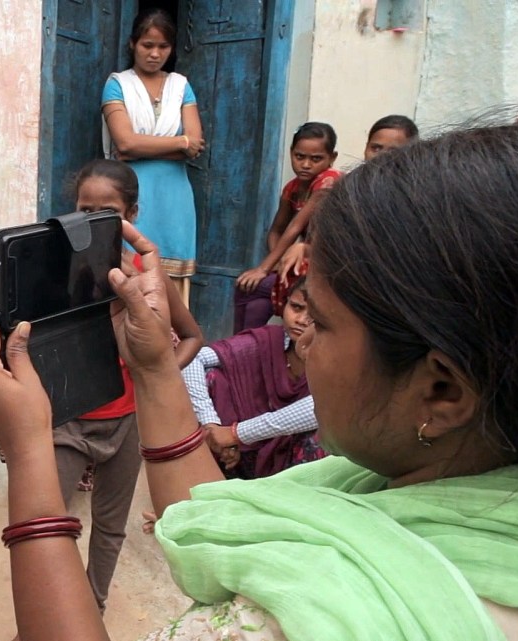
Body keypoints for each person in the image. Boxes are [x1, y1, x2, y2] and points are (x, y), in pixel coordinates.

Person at [0, 124, 518, 640]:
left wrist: (28, 449)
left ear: (442, 392)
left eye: (321, 323)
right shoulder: (402, 488)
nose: (300, 341)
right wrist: (155, 367)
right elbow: (211, 516)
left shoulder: (299, 620)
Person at [50, 159, 202, 614]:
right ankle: (54, 617)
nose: (93, 221)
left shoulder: (147, 278)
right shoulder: (57, 270)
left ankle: (92, 608)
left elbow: (192, 337)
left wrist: (152, 376)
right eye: (84, 210)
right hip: (68, 419)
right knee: (49, 524)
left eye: (108, 212)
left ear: (131, 215)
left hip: (128, 422)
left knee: (110, 525)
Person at [101, 10, 204, 305]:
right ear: (133, 43)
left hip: (175, 198)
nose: (155, 54)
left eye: (163, 46)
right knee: (129, 272)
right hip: (133, 193)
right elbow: (125, 142)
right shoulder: (118, 84)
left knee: (173, 285)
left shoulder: (180, 86)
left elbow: (196, 144)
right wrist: (180, 143)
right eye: (147, 45)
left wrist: (141, 148)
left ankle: (172, 334)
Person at [272, 115, 419, 316]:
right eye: (376, 148)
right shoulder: (350, 189)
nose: (381, 157)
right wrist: (305, 248)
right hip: (345, 274)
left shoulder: (415, 195)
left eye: (393, 151)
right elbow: (334, 239)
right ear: (366, 148)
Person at [187, 278, 324, 480]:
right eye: (296, 307)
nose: (302, 320)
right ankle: (204, 473)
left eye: (314, 317)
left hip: (291, 466)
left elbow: (319, 408)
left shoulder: (335, 358)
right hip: (236, 450)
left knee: (323, 434)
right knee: (212, 378)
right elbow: (193, 358)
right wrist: (212, 426)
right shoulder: (267, 340)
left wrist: (237, 434)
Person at [233, 122, 339, 333]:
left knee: (250, 288)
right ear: (291, 152)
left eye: (316, 159)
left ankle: (239, 345)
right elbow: (276, 231)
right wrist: (281, 261)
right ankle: (246, 345)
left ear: (332, 158)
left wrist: (263, 269)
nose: (306, 164)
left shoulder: (328, 182)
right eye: (300, 157)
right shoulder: (292, 188)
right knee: (256, 303)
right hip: (301, 261)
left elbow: (295, 227)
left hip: (326, 264)